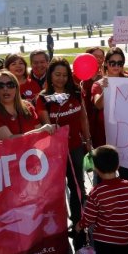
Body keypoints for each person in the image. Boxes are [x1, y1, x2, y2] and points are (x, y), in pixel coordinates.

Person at [37, 58, 92, 229]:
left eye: (65, 75)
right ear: (50, 75)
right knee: (57, 189)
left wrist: (88, 141)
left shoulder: (76, 92)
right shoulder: (43, 98)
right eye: (57, 75)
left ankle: (78, 220)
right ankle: (59, 223)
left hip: (76, 147)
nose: (61, 79)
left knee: (77, 185)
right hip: (55, 152)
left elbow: (83, 117)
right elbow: (48, 128)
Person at [0, 70, 55, 141]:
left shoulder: (28, 107)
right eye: (0, 86)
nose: (5, 89)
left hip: (29, 152)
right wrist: (40, 131)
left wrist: (50, 129)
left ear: (17, 88)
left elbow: (40, 131)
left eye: (10, 85)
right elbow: (9, 140)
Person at [89, 47, 128, 149]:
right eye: (113, 63)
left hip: (126, 133)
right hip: (105, 135)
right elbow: (98, 105)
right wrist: (106, 89)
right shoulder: (98, 84)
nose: (116, 66)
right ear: (106, 63)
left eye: (120, 63)